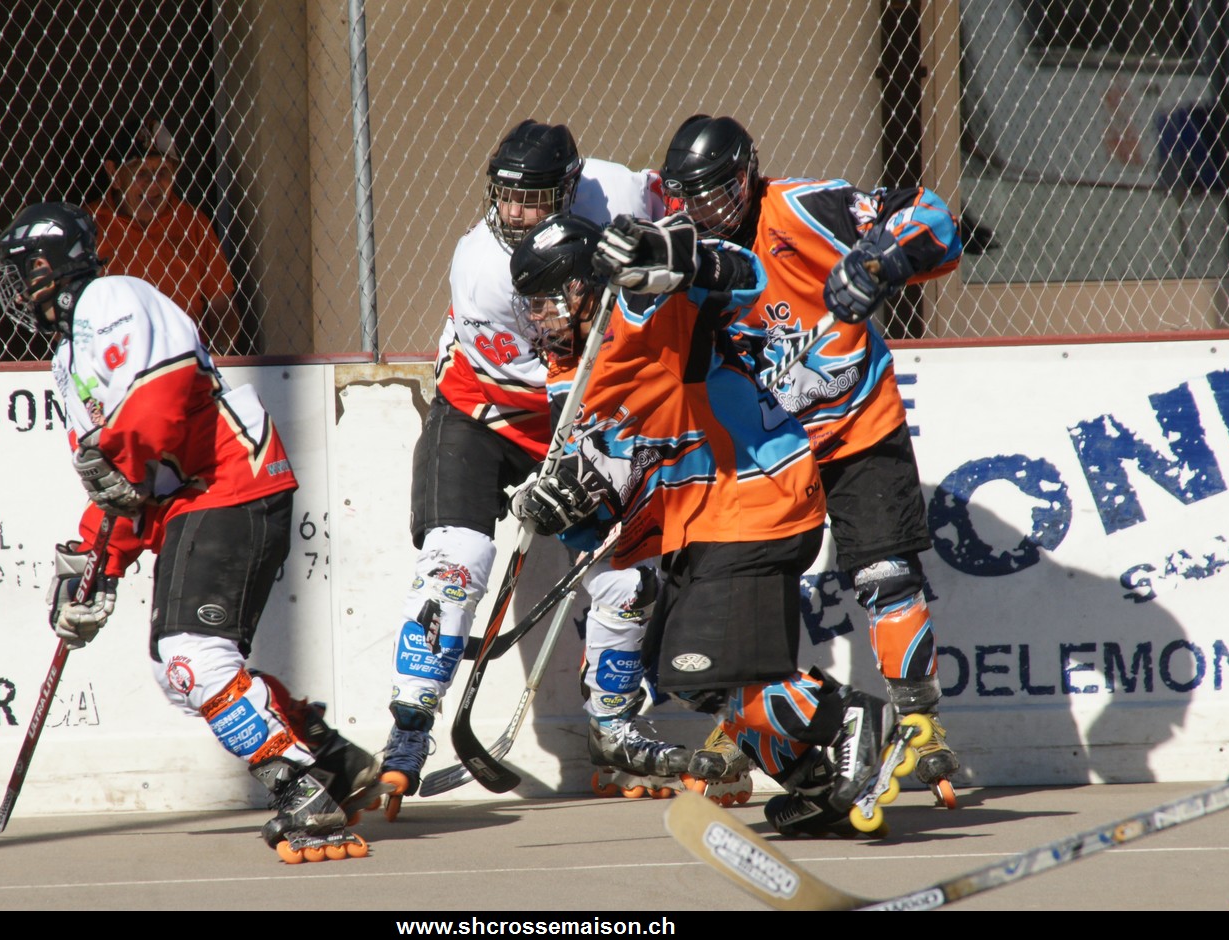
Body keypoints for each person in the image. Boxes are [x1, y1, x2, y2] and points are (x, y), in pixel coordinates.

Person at [0, 201, 384, 860]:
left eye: (21, 271)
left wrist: (116, 475)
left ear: (48, 266)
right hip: (196, 502)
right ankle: (332, 761)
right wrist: (94, 565)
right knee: (177, 673)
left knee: (191, 656)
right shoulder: (66, 360)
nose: (15, 289)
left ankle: (301, 787)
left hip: (231, 482)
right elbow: (118, 487)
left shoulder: (113, 298)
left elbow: (160, 404)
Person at [508, 211, 908, 836]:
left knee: (700, 670)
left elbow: (743, 276)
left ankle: (853, 720)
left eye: (548, 300)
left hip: (755, 499)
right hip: (701, 521)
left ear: (588, 286)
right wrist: (558, 500)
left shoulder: (643, 316)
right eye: (530, 305)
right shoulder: (569, 376)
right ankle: (814, 780)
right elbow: (612, 479)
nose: (540, 318)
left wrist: (658, 251)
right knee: (696, 683)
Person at [658, 115, 965, 829]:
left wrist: (879, 262)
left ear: (748, 174)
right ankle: (752, 716)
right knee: (747, 587)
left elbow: (934, 218)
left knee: (884, 573)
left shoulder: (803, 206)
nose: (706, 209)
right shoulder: (686, 249)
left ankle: (918, 719)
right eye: (690, 196)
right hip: (767, 450)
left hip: (856, 421)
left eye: (718, 191)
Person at [378, 119, 682, 819]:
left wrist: (651, 257)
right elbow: (540, 376)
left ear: (570, 189)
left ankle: (614, 730)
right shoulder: (483, 269)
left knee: (626, 578)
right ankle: (408, 732)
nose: (515, 212)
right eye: (507, 196)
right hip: (483, 413)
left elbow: (680, 220)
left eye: (534, 198)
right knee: (455, 563)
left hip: (578, 414)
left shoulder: (618, 189)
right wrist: (566, 464)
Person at [86, 117, 241, 353]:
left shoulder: (192, 222)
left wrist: (213, 357)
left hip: (186, 360)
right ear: (114, 173)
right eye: (141, 172)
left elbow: (222, 304)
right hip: (116, 363)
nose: (154, 183)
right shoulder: (88, 225)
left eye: (163, 171)